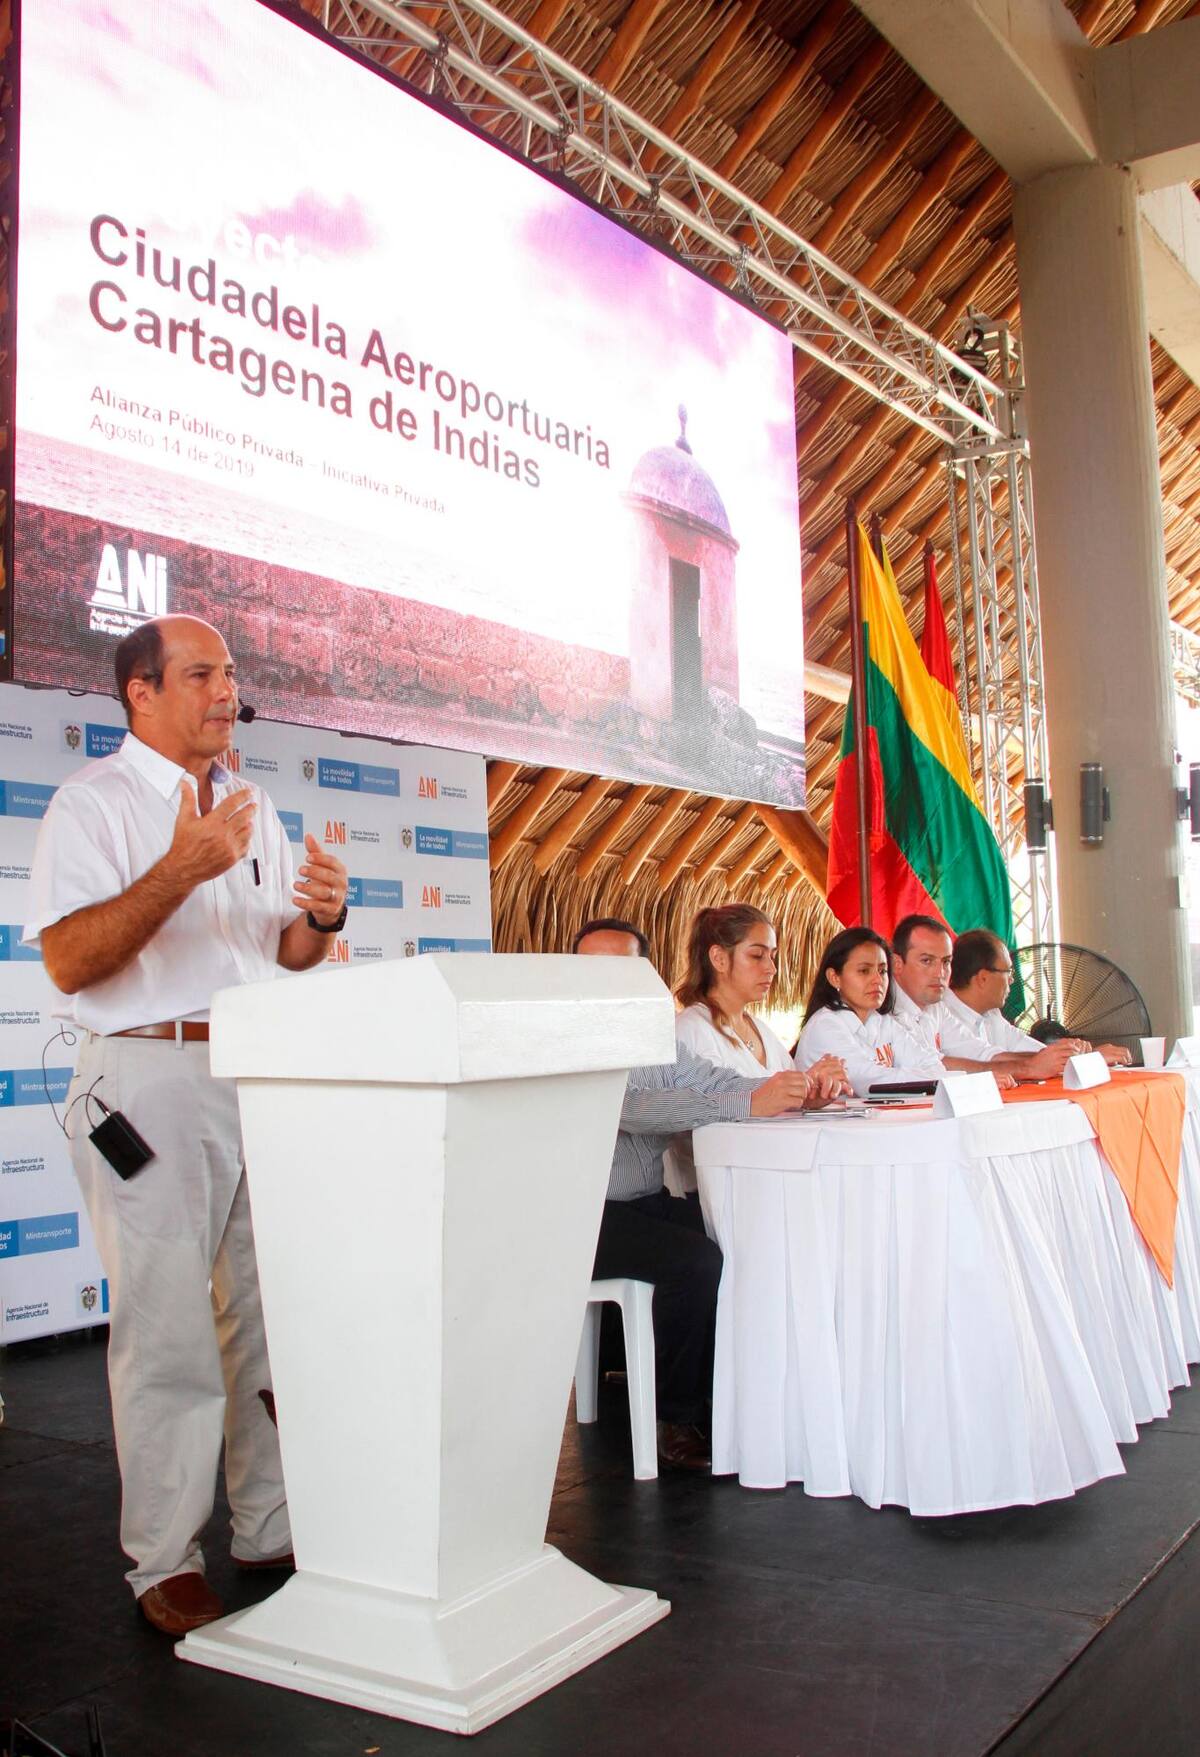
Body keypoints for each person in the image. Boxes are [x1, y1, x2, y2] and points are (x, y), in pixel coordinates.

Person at [23, 615, 349, 1636]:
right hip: (148, 1076)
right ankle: (162, 1558)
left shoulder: (254, 810)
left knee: (264, 1315)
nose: (226, 689)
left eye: (232, 673)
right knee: (165, 1326)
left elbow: (278, 956)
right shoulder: (94, 802)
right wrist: (183, 866)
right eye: (202, 672)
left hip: (258, 1070)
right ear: (141, 691)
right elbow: (72, 961)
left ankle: (268, 1522)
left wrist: (322, 922)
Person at [574, 917, 848, 1471]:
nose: (606, 977)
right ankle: (677, 1416)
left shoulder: (649, 1035)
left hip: (641, 1201)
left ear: (641, 973)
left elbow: (714, 1081)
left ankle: (734, 1395)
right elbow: (633, 1110)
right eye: (592, 965)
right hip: (579, 1212)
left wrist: (787, 1091)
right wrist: (751, 1103)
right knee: (695, 1262)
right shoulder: (570, 1036)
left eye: (621, 965)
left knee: (740, 1236)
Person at [890, 913, 1069, 1083]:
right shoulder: (886, 1009)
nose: (940, 973)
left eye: (946, 962)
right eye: (927, 961)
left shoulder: (935, 1006)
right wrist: (1027, 1068)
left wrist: (1060, 1058)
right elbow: (933, 1066)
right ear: (897, 964)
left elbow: (979, 1052)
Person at [794, 926, 948, 1095]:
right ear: (834, 977)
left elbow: (934, 1066)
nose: (877, 980)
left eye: (882, 971)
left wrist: (925, 1078)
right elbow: (870, 1084)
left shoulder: (882, 1021)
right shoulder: (825, 1026)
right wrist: (925, 1078)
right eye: (864, 971)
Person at [947, 930, 1132, 1065]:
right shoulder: (942, 1014)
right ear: (983, 978)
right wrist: (1084, 1059)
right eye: (1008, 972)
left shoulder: (991, 1015)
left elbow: (1029, 1049)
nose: (1012, 980)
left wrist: (1070, 1052)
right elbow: (988, 1058)